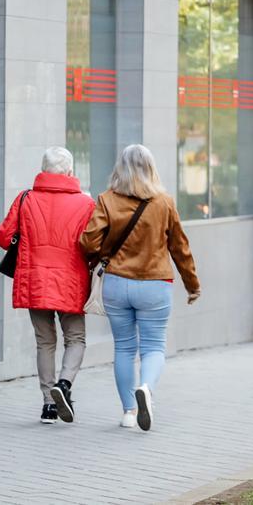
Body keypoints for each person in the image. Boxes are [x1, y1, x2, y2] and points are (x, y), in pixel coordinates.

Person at [81, 144, 200, 432]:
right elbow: (180, 248)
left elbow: (88, 241)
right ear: (151, 168)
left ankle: (128, 412)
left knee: (123, 347)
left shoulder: (107, 200)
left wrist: (105, 254)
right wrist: (192, 285)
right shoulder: (164, 202)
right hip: (154, 284)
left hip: (117, 283)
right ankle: (146, 388)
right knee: (153, 347)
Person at [0, 147, 96, 425]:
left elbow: (4, 238)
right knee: (75, 338)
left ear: (43, 169)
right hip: (71, 282)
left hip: (35, 280)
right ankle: (63, 385)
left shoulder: (26, 198)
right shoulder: (86, 204)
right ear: (70, 172)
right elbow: (93, 245)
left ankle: (48, 405)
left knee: (45, 341)